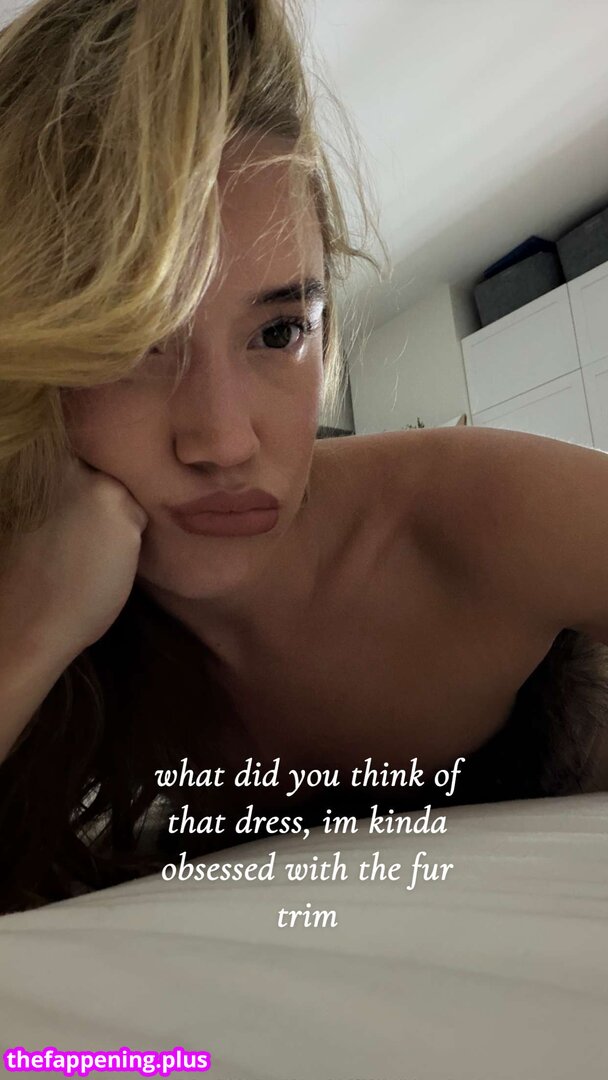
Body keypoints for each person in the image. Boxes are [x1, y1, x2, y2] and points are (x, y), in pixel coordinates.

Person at [0, 0, 607, 918]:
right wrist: (30, 635)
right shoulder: (35, 591)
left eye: (280, 331)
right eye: (129, 346)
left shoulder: (480, 510)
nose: (224, 442)